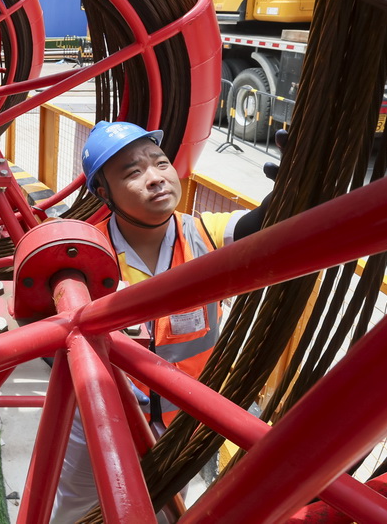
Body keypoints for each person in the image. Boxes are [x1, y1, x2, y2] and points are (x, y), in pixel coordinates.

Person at [51, 121, 274, 523]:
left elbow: (264, 222)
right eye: (133, 172)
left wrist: (293, 186)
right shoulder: (86, 254)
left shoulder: (205, 234)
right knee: (78, 510)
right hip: (102, 415)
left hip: (181, 421)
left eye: (160, 163)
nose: (155, 178)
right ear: (104, 193)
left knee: (165, 510)